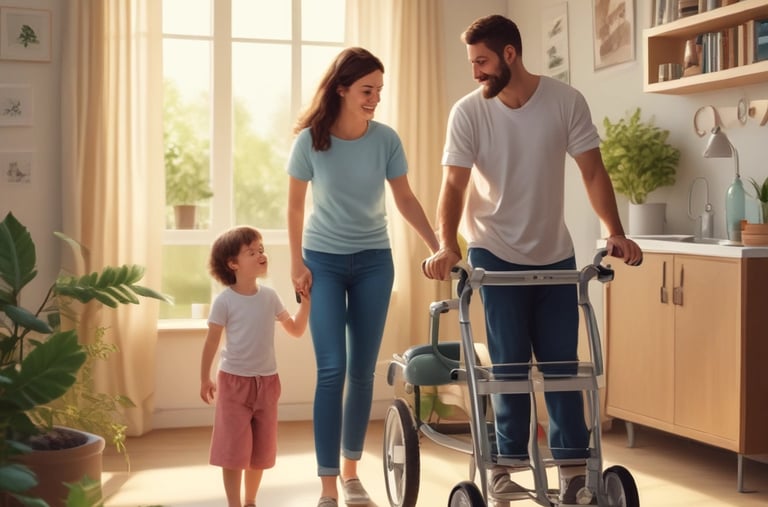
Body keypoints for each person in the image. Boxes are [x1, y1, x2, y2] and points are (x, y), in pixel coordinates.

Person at [421, 14, 643, 506]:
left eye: (482, 61)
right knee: (509, 368)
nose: (475, 72)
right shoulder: (468, 112)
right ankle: (503, 465)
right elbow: (453, 184)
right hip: (493, 250)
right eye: (471, 62)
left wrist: (615, 232)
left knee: (565, 367)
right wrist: (447, 245)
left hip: (554, 252)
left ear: (510, 54)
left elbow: (592, 172)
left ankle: (574, 472)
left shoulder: (565, 101)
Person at [286, 47, 440, 507]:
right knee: (332, 369)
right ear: (342, 89)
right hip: (323, 262)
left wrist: (438, 245)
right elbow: (294, 208)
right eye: (366, 90)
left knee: (362, 372)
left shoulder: (385, 140)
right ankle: (327, 485)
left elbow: (405, 199)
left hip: (374, 262)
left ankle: (351, 475)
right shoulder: (310, 142)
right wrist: (296, 263)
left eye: (379, 91)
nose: (374, 99)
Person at [200, 226, 310, 507]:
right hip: (233, 382)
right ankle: (234, 504)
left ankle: (250, 501)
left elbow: (296, 330)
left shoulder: (270, 297)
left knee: (260, 451)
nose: (261, 255)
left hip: (268, 383)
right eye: (251, 252)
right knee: (233, 451)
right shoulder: (224, 301)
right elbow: (211, 342)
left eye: (261, 249)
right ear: (233, 264)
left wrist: (306, 303)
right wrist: (204, 378)